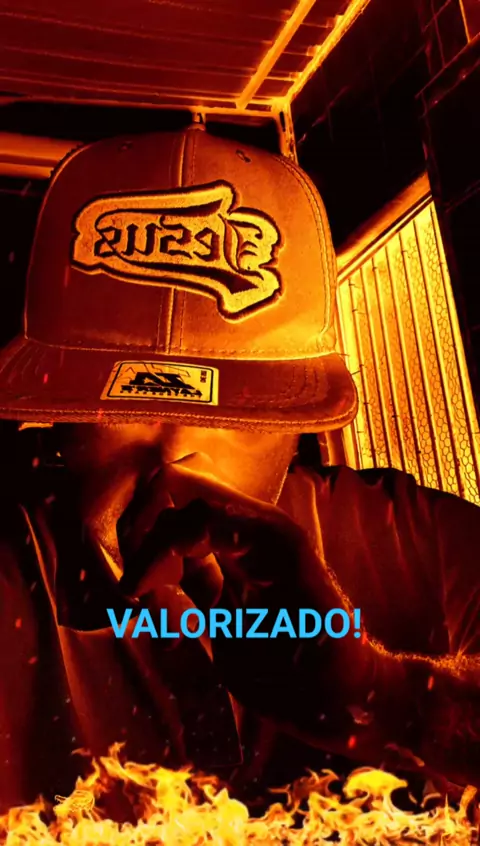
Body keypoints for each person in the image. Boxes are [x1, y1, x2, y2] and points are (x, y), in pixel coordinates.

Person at [0, 125, 479, 811]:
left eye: (236, 412)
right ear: (59, 420)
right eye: (121, 407)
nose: (175, 459)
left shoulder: (413, 540)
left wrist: (384, 697)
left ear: (298, 425)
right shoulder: (15, 589)